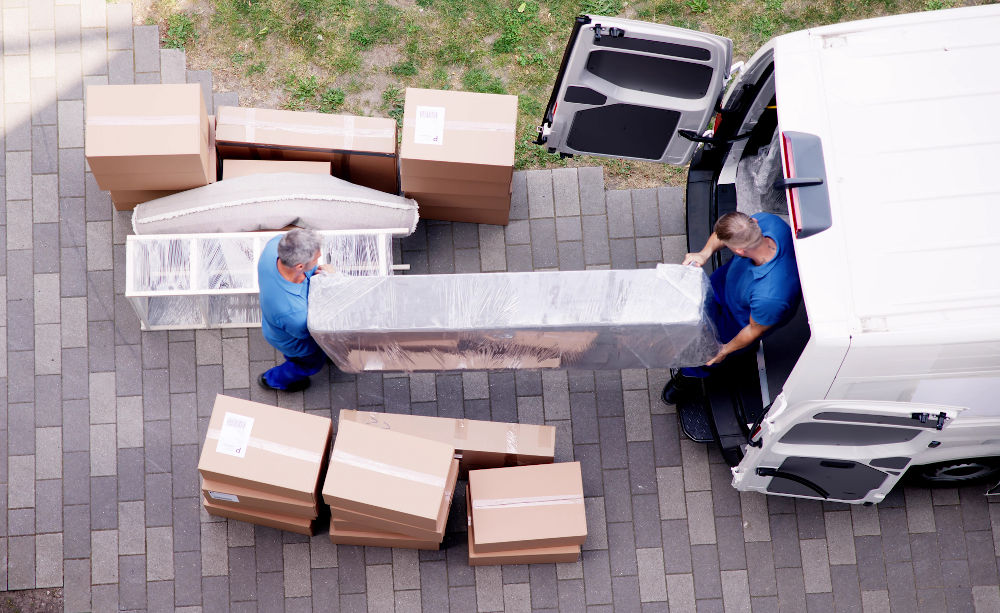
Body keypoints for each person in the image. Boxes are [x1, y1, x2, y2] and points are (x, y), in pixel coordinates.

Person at [662, 211, 802, 404]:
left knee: (704, 352)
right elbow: (722, 234)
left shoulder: (771, 296)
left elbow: (753, 330)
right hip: (725, 284)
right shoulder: (766, 222)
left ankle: (689, 377)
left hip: (736, 321)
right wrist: (705, 253)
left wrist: (724, 350)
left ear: (739, 252)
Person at [257, 228, 333, 392]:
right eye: (316, 259)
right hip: (296, 343)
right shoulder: (295, 314)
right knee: (308, 364)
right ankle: (274, 380)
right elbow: (313, 333)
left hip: (275, 324)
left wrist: (317, 272)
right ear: (299, 266)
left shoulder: (276, 245)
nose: (319, 260)